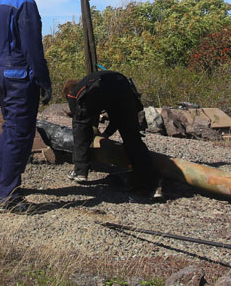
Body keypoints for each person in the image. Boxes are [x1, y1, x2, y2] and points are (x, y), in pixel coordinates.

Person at [0, 0, 52, 213]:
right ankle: (8, 198)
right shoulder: (25, 4)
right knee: (20, 134)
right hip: (19, 77)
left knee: (9, 128)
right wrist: (45, 82)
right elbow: (33, 49)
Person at [63, 70, 161, 199]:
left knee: (79, 126)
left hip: (102, 87)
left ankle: (80, 171)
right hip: (123, 85)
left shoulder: (74, 94)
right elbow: (117, 118)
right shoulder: (89, 82)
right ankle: (149, 181)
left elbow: (81, 124)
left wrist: (93, 135)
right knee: (131, 137)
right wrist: (105, 135)